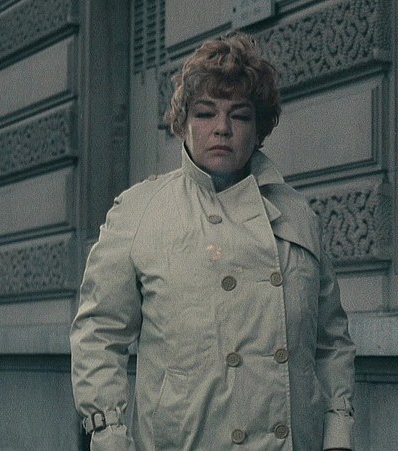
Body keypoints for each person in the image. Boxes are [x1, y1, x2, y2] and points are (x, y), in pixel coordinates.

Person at [70, 32, 356, 450]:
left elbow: (331, 341)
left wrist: (338, 431)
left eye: (239, 116)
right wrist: (109, 434)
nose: (222, 128)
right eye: (205, 113)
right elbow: (98, 334)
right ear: (183, 123)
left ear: (258, 128)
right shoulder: (140, 212)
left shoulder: (297, 216)